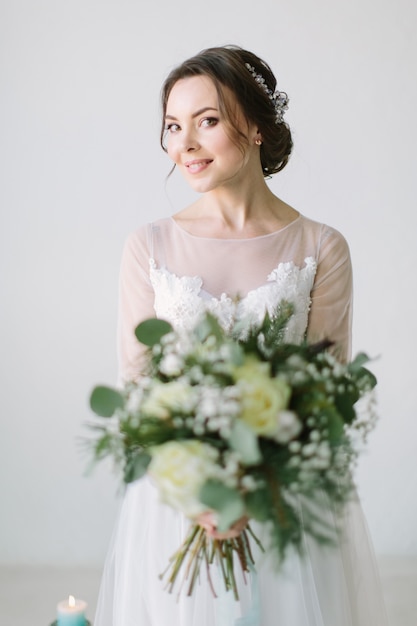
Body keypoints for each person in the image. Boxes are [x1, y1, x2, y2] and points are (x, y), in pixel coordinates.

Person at [94, 45, 388, 626]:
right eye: (174, 127)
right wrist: (202, 492)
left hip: (285, 501)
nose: (186, 144)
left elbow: (322, 391)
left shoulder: (321, 247)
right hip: (177, 500)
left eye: (207, 121)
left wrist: (253, 482)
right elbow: (139, 384)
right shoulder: (147, 246)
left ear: (254, 125)